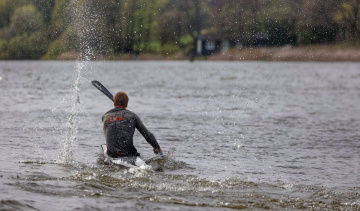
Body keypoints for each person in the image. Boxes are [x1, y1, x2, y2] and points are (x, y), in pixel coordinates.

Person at [102, 91, 162, 160]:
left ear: (114, 103)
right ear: (127, 104)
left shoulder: (105, 117)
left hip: (111, 154)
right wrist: (156, 146)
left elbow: (116, 123)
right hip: (128, 154)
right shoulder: (132, 116)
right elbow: (147, 134)